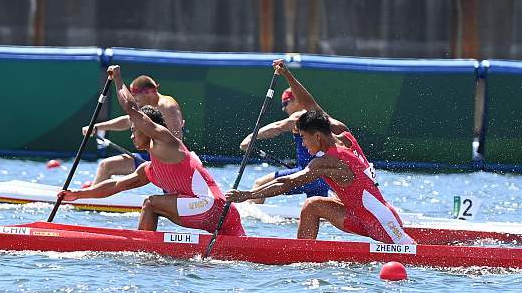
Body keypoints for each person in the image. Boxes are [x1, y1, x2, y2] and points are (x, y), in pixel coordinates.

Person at [60, 65, 245, 236]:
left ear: (147, 128)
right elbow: (117, 185)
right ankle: (150, 249)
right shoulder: (149, 169)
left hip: (211, 207)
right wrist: (78, 195)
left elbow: (132, 111)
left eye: (134, 131)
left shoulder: (165, 142)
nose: (132, 136)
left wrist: (117, 79)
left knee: (151, 203)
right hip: (227, 215)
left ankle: (144, 251)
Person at [227, 109, 413, 244]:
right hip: (360, 216)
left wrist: (247, 195)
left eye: (303, 138)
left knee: (411, 250)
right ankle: (302, 255)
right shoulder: (346, 136)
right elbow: (317, 111)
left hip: (380, 221)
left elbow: (288, 183)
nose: (303, 144)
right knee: (312, 205)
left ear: (317, 136)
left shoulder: (326, 161)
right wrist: (288, 75)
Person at [82, 74, 185, 185]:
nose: (135, 102)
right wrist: (96, 127)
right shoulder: (148, 107)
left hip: (170, 164)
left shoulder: (168, 107)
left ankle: (92, 195)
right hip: (154, 159)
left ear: (149, 92)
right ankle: (92, 199)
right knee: (106, 166)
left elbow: (177, 142)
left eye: (136, 98)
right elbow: (129, 120)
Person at [237, 87, 330, 203]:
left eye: (285, 103)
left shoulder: (301, 116)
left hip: (307, 174)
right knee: (316, 208)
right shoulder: (320, 116)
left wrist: (251, 138)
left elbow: (278, 127)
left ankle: (246, 217)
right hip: (324, 179)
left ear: (296, 101)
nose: (284, 108)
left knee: (260, 184)